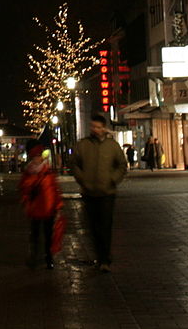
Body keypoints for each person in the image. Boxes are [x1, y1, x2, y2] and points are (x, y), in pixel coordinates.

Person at [71, 112, 127, 272]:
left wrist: (112, 179)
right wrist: (83, 179)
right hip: (89, 192)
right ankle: (100, 255)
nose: (96, 130)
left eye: (99, 127)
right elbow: (74, 164)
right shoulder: (83, 145)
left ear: (104, 128)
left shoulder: (112, 146)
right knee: (94, 227)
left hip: (107, 192)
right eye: (94, 127)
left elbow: (122, 165)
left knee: (105, 226)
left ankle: (104, 258)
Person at [19, 139, 61, 269]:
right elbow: (24, 189)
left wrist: (58, 205)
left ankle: (49, 257)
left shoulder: (48, 171)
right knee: (35, 234)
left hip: (48, 208)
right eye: (35, 156)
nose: (38, 159)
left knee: (48, 234)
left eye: (39, 156)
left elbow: (54, 189)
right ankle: (35, 256)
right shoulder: (29, 173)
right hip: (35, 208)